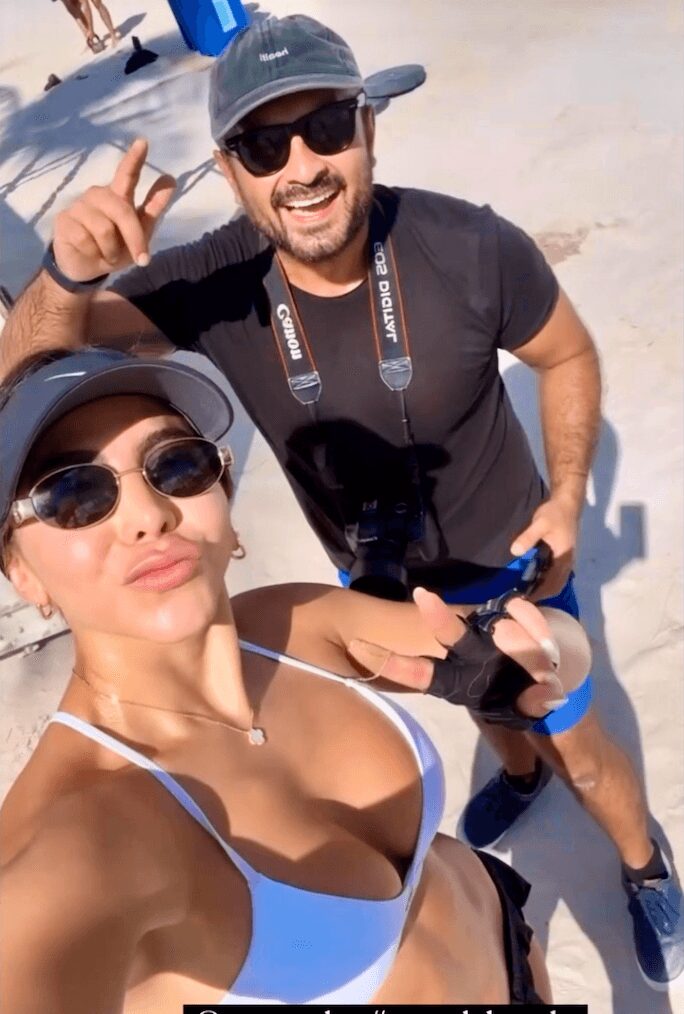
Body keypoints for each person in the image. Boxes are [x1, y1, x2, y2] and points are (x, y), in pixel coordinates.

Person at [0, 14, 681, 988]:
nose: (302, 165)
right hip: (379, 588)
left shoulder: (471, 247)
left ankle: (646, 867)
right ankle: (517, 773)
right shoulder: (215, 283)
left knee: (582, 745)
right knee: (489, 712)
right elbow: (33, 389)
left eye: (325, 126)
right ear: (230, 170)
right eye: (263, 144)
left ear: (368, 128)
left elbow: (565, 354)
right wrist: (67, 270)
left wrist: (568, 497)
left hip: (517, 568)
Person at [0, 346, 589, 1007]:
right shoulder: (83, 835)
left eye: (176, 465)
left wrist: (534, 655)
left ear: (224, 499)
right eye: (73, 495)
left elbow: (555, 645)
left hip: (508, 941)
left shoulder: (290, 624)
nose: (149, 515)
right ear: (22, 573)